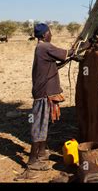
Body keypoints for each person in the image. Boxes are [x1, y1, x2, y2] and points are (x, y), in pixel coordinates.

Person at [27, 23, 72, 171]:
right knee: (39, 126)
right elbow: (67, 53)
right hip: (43, 94)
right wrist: (86, 45)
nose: (51, 34)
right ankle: (32, 162)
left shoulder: (41, 49)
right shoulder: (45, 47)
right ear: (44, 35)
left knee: (45, 124)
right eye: (49, 32)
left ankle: (41, 152)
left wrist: (70, 58)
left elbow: (54, 65)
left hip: (45, 92)